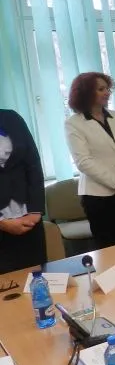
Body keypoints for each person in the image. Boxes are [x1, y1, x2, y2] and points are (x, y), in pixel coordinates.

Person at [65, 72, 115, 249]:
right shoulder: (73, 123)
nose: (107, 92)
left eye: (107, 88)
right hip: (99, 196)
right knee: (109, 248)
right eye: (101, 89)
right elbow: (83, 161)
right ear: (86, 93)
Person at [0, 110, 45, 274]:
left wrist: (36, 211)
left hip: (28, 216)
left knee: (37, 276)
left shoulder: (11, 118)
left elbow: (33, 164)